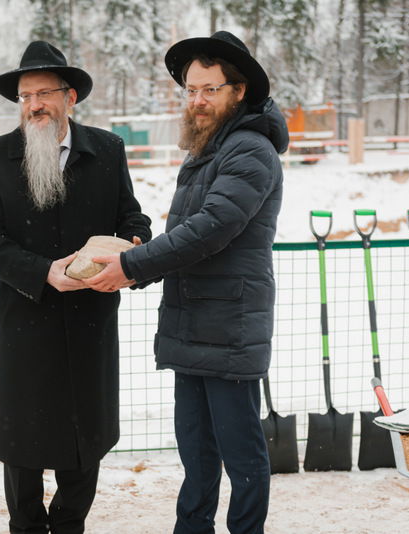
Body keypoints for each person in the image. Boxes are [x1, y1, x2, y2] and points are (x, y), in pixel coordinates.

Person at [86, 31, 289, 534]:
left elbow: (213, 227)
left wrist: (134, 267)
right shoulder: (206, 152)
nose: (197, 100)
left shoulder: (250, 150)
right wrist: (135, 258)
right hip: (191, 322)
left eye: (210, 89)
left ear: (239, 91)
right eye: (191, 90)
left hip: (230, 325)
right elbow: (185, 235)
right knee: (197, 453)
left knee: (242, 456)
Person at [0, 41, 151, 534]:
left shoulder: (106, 150)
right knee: (23, 445)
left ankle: (70, 525)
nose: (34, 105)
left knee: (84, 437)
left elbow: (130, 213)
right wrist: (42, 272)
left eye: (45, 93)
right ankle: (25, 527)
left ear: (70, 98)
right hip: (25, 321)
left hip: (91, 321)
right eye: (26, 96)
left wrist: (133, 244)